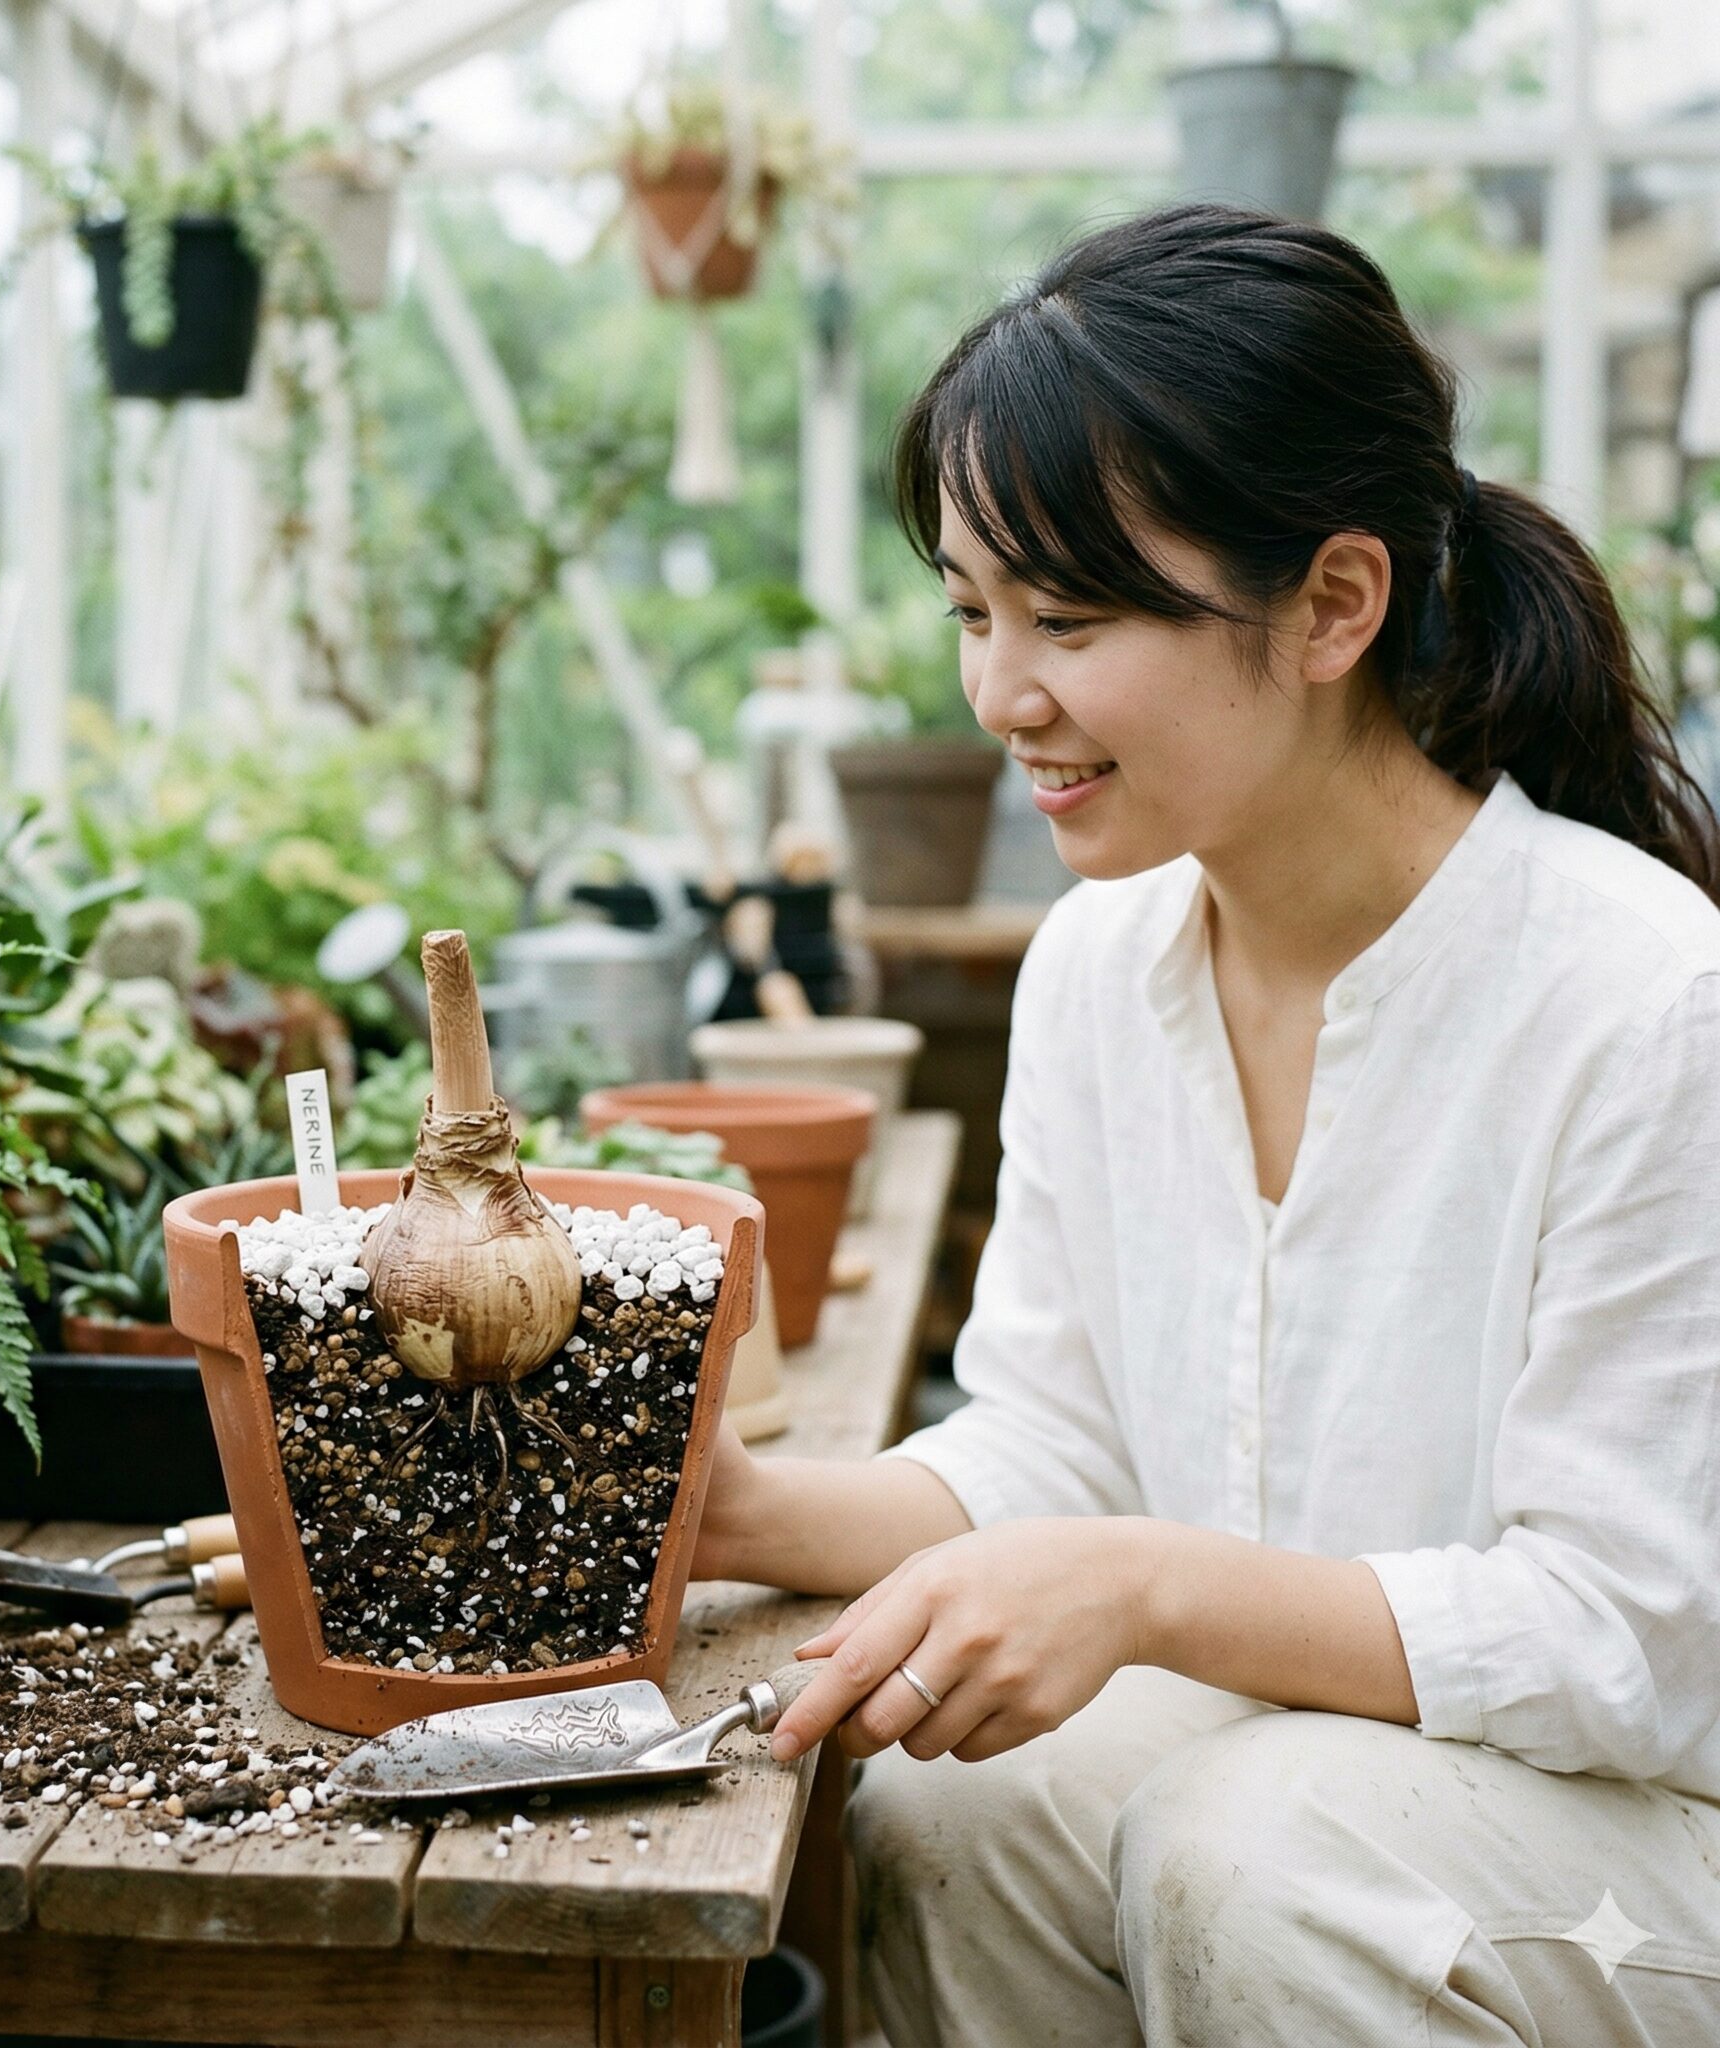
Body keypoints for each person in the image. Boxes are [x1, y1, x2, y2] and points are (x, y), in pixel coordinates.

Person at [690, 202, 1720, 2046]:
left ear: (1334, 603)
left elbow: (1622, 1640)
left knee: (1256, 1846)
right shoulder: (1100, 967)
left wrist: (1152, 1585)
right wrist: (733, 1512)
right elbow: (1051, 1446)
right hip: (1332, 1778)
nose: (1004, 696)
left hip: (1658, 1827)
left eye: (1071, 619)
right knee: (958, 1795)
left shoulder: (1648, 1001)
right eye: (971, 614)